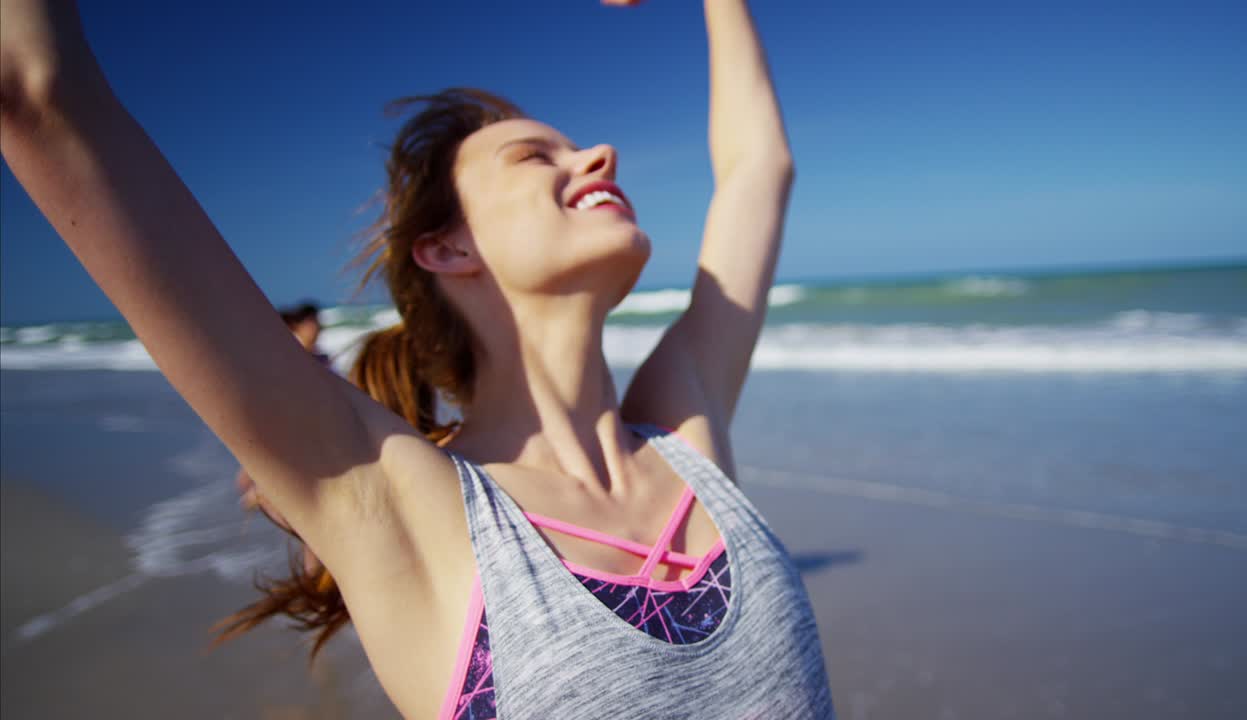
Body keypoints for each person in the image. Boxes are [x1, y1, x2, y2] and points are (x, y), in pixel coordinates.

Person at [1, 0, 835, 716]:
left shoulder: (687, 435)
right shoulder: (397, 500)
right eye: (534, 156)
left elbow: (759, 168)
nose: (598, 156)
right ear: (446, 249)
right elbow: (40, 97)